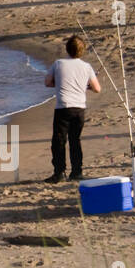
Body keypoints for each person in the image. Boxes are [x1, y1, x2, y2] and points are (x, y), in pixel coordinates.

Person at [43, 35, 102, 183]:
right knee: (75, 140)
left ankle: (59, 172)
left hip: (63, 107)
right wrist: (85, 86)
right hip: (79, 108)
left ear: (67, 49)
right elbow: (97, 89)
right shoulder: (87, 67)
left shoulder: (58, 64)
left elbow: (48, 82)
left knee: (59, 141)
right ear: (82, 51)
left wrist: (59, 83)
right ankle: (76, 171)